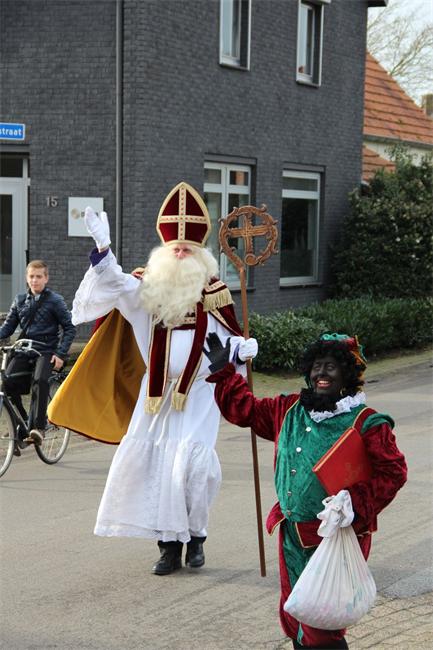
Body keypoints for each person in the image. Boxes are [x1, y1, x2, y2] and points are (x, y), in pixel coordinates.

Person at [55, 181, 257, 575]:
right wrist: (103, 249)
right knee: (159, 470)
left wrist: (242, 350)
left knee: (193, 469)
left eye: (187, 249)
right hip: (157, 396)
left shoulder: (215, 293)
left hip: (199, 393)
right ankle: (168, 548)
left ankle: (196, 536)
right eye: (175, 248)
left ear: (199, 254)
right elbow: (114, 282)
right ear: (164, 250)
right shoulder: (146, 289)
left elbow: (225, 343)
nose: (180, 254)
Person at [204, 332, 407, 649]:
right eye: (316, 366)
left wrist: (353, 502)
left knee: (322, 625)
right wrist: (225, 374)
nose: (321, 373)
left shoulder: (367, 422)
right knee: (297, 617)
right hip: (292, 534)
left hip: (337, 536)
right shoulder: (288, 409)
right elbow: (245, 411)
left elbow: (393, 472)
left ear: (347, 375)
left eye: (331, 367)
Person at [0, 259, 76, 446]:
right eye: (32, 276)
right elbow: (7, 328)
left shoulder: (55, 301)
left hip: (46, 350)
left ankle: (39, 427)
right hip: (24, 350)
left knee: (40, 381)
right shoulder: (19, 300)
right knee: (6, 383)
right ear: (27, 278)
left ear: (46, 278)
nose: (35, 280)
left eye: (39, 277)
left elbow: (69, 328)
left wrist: (60, 354)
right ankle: (24, 423)